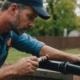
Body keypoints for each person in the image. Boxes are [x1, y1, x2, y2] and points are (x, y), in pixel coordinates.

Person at [0, 0, 80, 80]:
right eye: (30, 17)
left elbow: (39, 48)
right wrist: (13, 69)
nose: (32, 24)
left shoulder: (10, 33)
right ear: (13, 9)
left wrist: (72, 57)